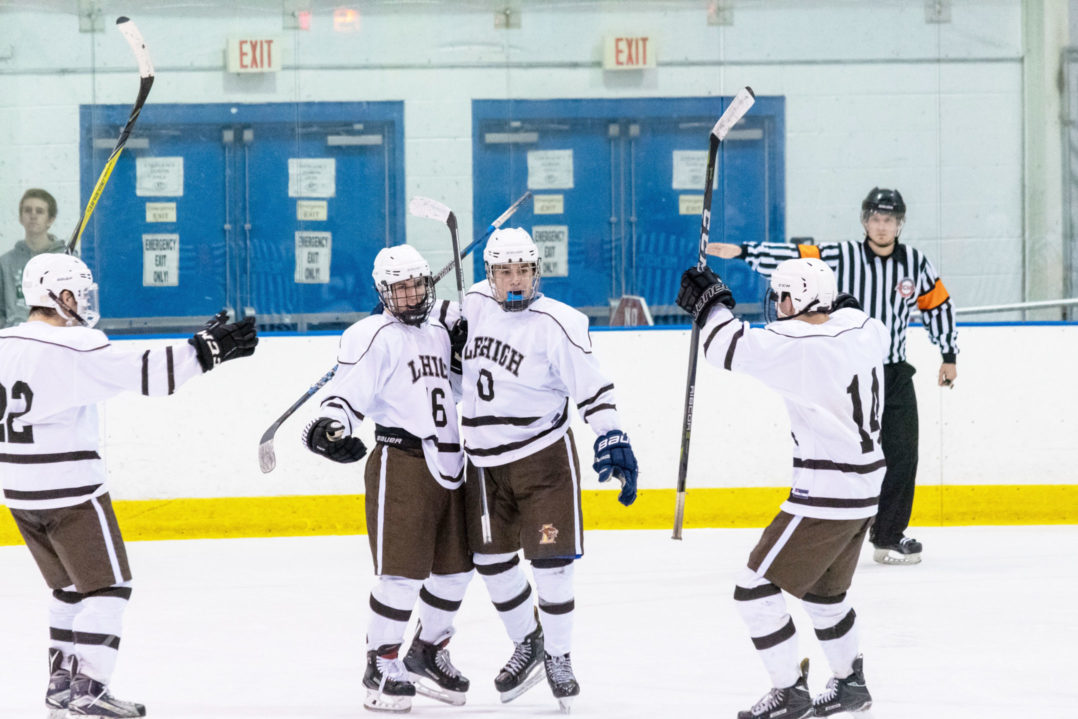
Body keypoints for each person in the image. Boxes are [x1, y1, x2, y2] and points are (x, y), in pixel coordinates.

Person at [0, 253, 258, 718]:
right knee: (109, 588)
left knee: (69, 591)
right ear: (58, 295)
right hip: (71, 490)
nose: (84, 301)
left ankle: (61, 684)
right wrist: (206, 350)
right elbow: (149, 373)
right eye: (77, 291)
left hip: (17, 491)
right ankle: (89, 688)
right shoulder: (75, 345)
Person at [675, 257, 887, 719]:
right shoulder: (867, 328)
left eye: (781, 296)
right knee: (823, 597)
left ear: (795, 298)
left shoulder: (795, 344)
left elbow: (724, 348)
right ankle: (850, 684)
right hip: (866, 488)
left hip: (826, 492)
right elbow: (849, 314)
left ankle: (789, 692)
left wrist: (713, 303)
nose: (778, 305)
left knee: (753, 590)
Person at [706, 187, 958, 565]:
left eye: (889, 220)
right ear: (864, 221)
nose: (882, 226)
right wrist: (744, 252)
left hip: (894, 372)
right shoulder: (843, 255)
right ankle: (838, 526)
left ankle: (888, 536)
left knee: (903, 456)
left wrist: (948, 353)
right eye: (875, 218)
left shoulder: (917, 264)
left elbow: (937, 305)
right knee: (843, 452)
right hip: (846, 368)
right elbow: (795, 259)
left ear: (900, 223)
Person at [458, 227, 638, 713]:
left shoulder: (559, 322)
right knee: (492, 564)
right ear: (488, 274)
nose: (514, 281)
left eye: (523, 270)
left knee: (552, 565)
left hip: (542, 458)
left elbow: (592, 387)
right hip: (482, 463)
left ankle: (559, 656)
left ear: (538, 271)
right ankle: (529, 642)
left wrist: (612, 435)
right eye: (503, 272)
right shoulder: (467, 305)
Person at [301, 244, 474, 713]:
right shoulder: (370, 335)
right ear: (384, 292)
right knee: (400, 574)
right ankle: (380, 661)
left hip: (451, 460)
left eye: (417, 285)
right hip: (401, 459)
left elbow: (457, 388)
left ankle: (428, 651)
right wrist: (329, 425)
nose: (410, 295)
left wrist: (464, 346)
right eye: (399, 288)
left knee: (456, 570)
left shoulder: (439, 328)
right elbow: (347, 391)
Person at [1, 189, 67, 328]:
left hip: (55, 338)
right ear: (20, 217)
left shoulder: (66, 259)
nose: (33, 215)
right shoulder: (5, 263)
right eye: (28, 210)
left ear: (50, 219)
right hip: (16, 340)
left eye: (40, 211)